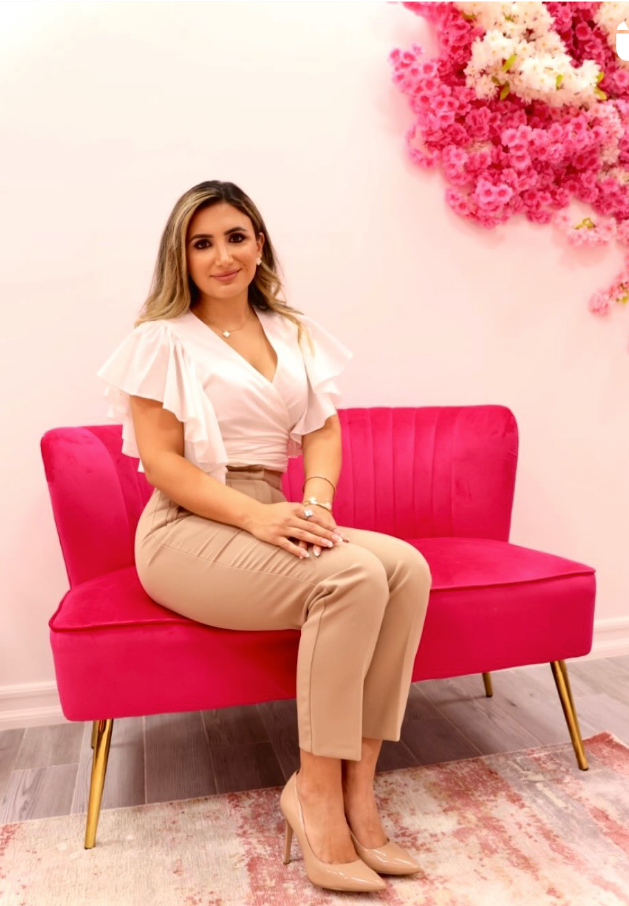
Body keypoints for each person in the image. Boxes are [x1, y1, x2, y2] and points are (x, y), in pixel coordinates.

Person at [96, 180, 432, 893]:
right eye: (203, 242)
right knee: (353, 575)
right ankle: (312, 796)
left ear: (259, 244)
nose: (224, 256)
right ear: (181, 257)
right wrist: (256, 516)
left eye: (237, 237)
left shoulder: (292, 330)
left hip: (273, 506)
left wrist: (313, 499)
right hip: (189, 526)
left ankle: (356, 794)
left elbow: (322, 428)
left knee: (405, 567)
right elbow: (161, 463)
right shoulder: (161, 339)